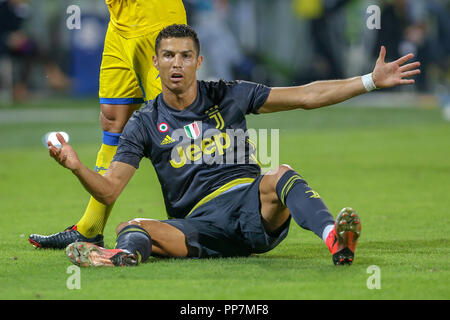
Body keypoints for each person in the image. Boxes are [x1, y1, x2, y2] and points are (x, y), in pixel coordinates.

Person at [48, 24, 420, 267]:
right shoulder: (144, 123)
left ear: (199, 61)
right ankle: (119, 258)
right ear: (155, 62)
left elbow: (306, 95)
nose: (177, 64)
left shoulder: (228, 94)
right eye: (168, 56)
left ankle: (335, 240)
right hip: (200, 226)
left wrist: (370, 80)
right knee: (134, 226)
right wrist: (77, 166)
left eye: (186, 56)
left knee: (280, 175)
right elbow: (110, 190)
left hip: (252, 209)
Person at [28, 0, 187, 248]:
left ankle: (196, 222)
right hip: (120, 22)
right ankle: (90, 229)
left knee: (172, 121)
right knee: (113, 119)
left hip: (157, 17)